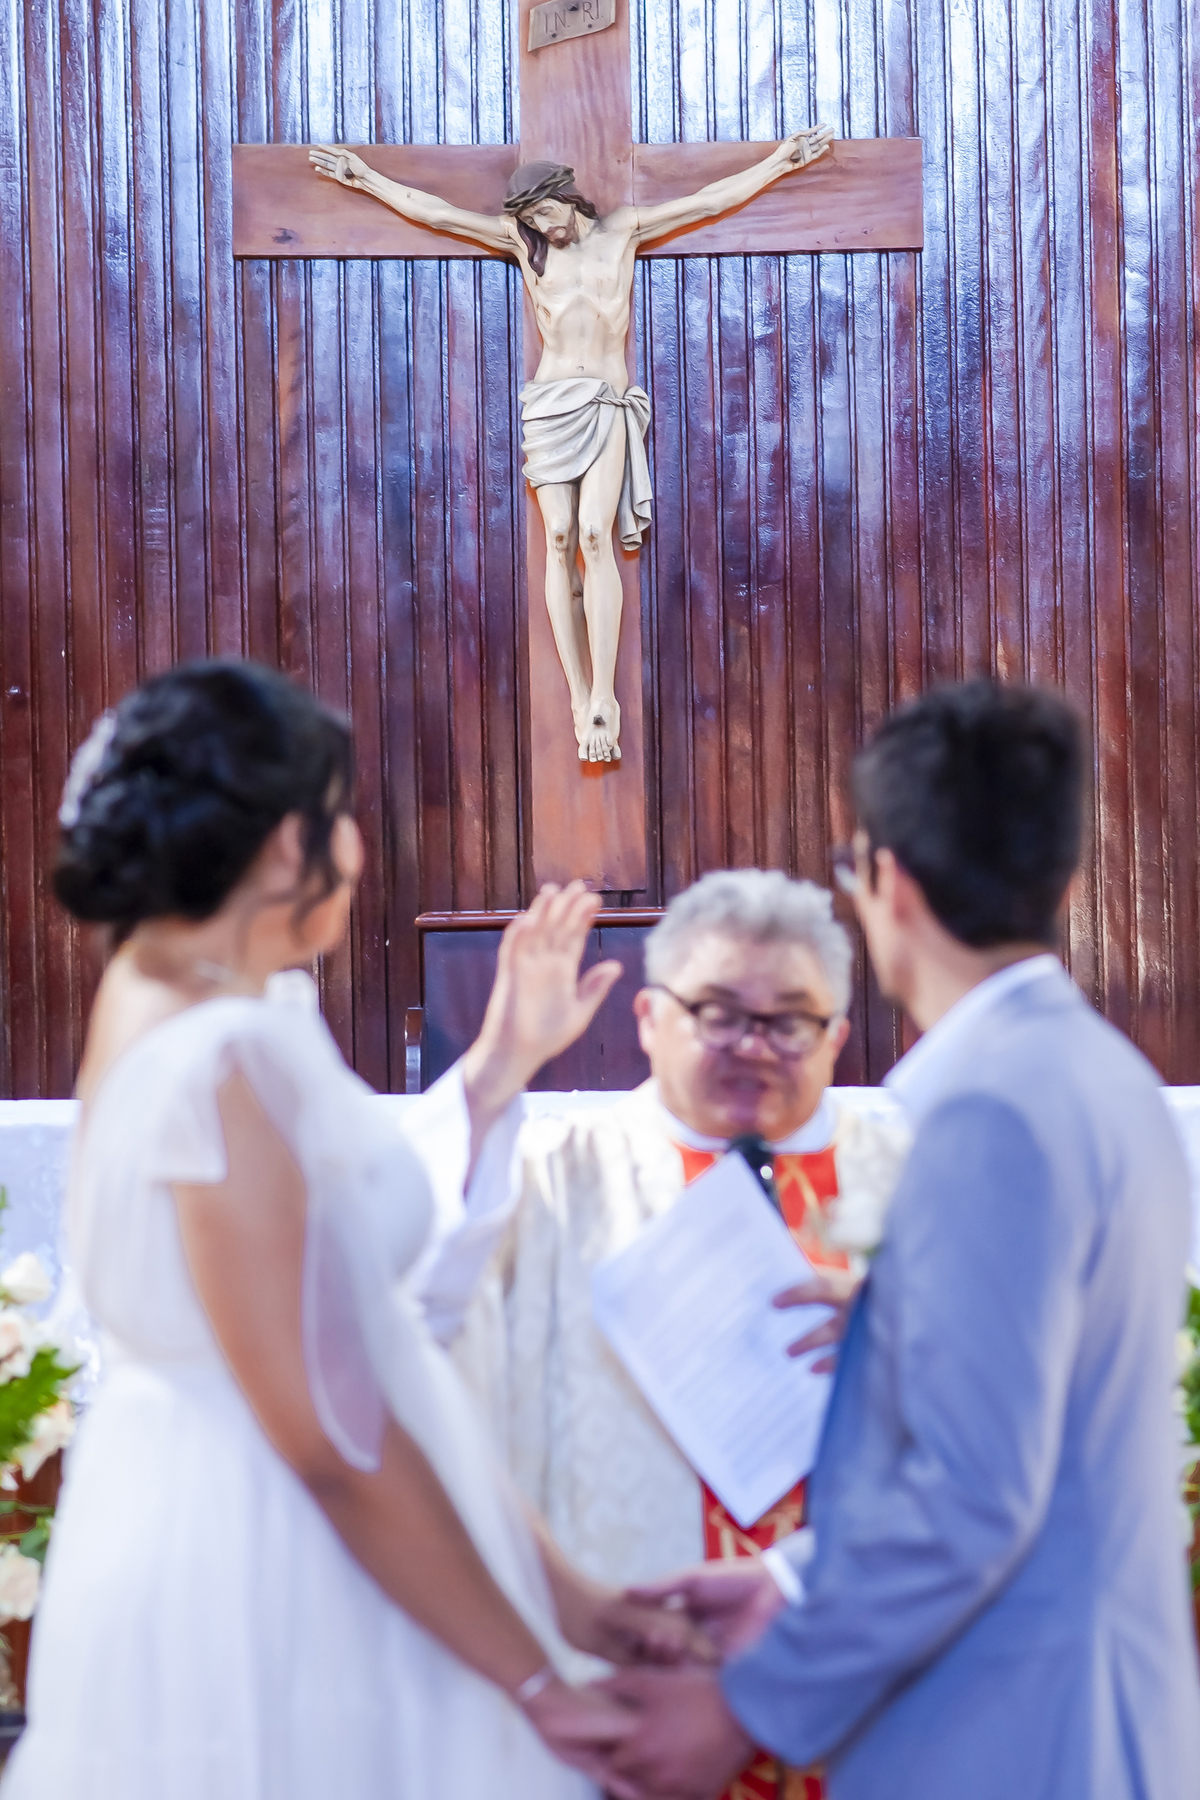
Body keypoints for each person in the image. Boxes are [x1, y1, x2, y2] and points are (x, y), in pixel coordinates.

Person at [3, 661, 698, 1800]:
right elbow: (337, 1427)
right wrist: (536, 1680)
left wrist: (569, 1600)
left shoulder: (194, 1004)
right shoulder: (224, 1056)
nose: (357, 847)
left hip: (263, 1530)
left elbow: (375, 1339)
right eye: (344, 816)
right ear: (290, 843)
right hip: (278, 1574)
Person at [599, 681, 1200, 1800]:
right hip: (1087, 1707)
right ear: (1065, 875)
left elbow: (975, 1499)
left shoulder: (987, 1113)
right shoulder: (1104, 1075)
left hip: (1005, 1729)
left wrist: (745, 1707)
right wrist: (793, 1577)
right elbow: (1040, 1438)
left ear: (890, 882)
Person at [409, 869, 910, 1800]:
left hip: (869, 1705)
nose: (753, 1045)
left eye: (790, 1021)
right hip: (627, 1695)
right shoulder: (550, 1177)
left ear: (838, 1035)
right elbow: (401, 1311)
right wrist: (494, 1072)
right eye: (718, 1013)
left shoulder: (918, 1184)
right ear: (647, 1017)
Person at [307, 137, 831, 763]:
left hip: (604, 402)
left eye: (544, 212)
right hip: (550, 404)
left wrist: (778, 163)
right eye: (529, 219)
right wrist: (364, 177)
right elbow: (438, 214)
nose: (540, 226)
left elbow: (708, 201)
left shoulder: (623, 231)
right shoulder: (522, 244)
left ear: (566, 197)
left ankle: (605, 694)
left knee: (593, 535)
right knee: (558, 537)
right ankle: (580, 697)